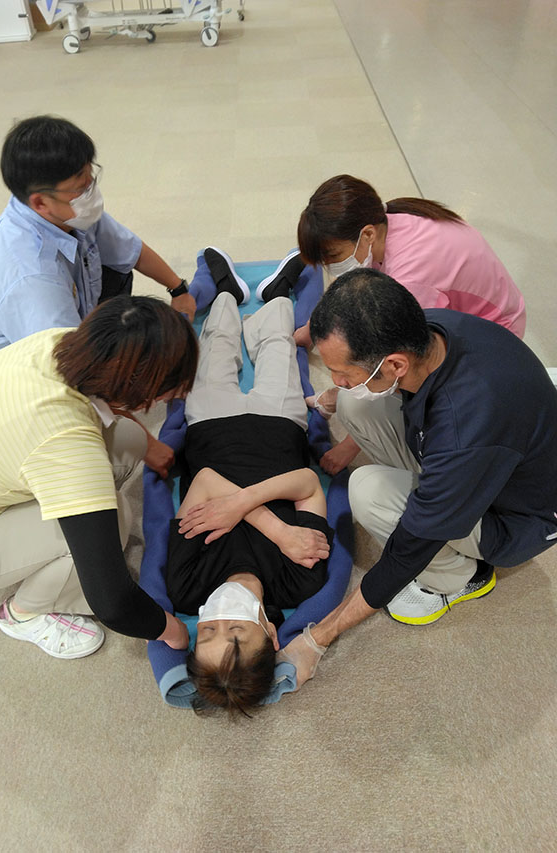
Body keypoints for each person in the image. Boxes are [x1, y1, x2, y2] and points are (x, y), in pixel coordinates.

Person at [281, 268, 557, 674]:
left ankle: (460, 579)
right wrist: (340, 394)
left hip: (518, 518)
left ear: (395, 364)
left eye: (344, 373)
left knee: (368, 490)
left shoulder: (467, 430)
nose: (336, 381)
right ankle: (433, 496)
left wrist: (317, 638)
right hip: (489, 462)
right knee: (354, 403)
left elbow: (406, 551)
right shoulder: (430, 328)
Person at [0, 296, 198, 660]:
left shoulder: (64, 341)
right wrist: (174, 631)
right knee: (115, 520)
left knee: (129, 438)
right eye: (170, 394)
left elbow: (112, 421)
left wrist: (152, 447)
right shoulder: (64, 439)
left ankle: (67, 511)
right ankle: (23, 613)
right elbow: (113, 602)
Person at [0, 115, 196, 478]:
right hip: (21, 385)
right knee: (105, 464)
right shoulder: (30, 276)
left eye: (90, 179)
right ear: (40, 203)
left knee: (119, 278)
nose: (91, 194)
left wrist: (179, 290)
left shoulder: (69, 213)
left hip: (65, 335)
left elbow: (128, 249)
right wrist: (148, 444)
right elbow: (72, 372)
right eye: (80, 188)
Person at [164, 248, 332, 716]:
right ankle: (276, 294)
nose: (219, 616)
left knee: (216, 344)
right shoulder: (299, 576)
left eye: (207, 631)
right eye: (235, 630)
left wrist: (247, 511)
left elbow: (204, 480)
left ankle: (227, 292)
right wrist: (277, 530)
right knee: (279, 344)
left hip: (210, 428)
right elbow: (308, 483)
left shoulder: (186, 586)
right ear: (272, 634)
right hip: (280, 427)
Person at [288, 174, 527, 475]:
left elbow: (402, 363)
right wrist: (313, 329)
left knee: (366, 393)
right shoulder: (387, 220)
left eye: (334, 257)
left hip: (495, 338)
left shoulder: (412, 277)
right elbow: (357, 291)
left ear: (367, 234)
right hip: (486, 312)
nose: (331, 267)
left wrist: (353, 439)